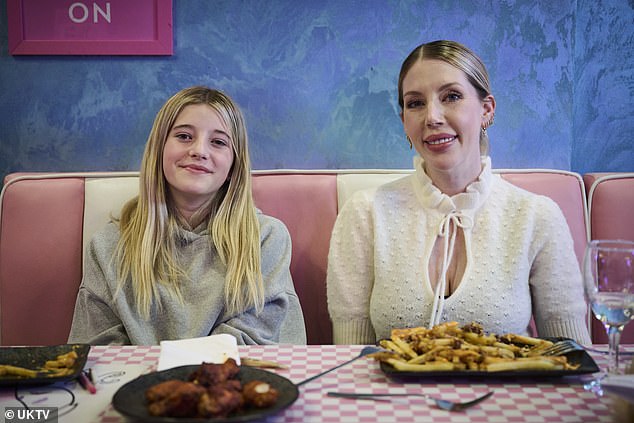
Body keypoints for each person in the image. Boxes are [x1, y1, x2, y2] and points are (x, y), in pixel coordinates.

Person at [326, 40, 591, 345]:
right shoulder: (365, 213)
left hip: (508, 392)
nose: (432, 117)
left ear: (486, 110)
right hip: (394, 393)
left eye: (451, 96)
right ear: (404, 122)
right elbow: (350, 358)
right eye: (415, 103)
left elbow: (571, 356)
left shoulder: (537, 215)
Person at [68, 86, 306, 345]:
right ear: (159, 150)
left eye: (218, 142)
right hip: (139, 384)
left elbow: (254, 341)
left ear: (233, 167)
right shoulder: (107, 247)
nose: (199, 151)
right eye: (184, 136)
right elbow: (100, 353)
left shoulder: (266, 239)